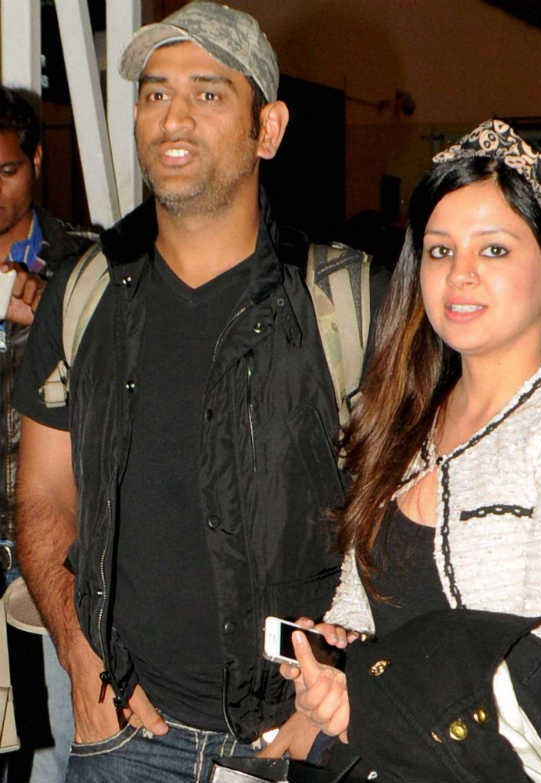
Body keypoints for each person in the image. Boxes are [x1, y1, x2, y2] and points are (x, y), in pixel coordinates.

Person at [11, 3, 384, 782]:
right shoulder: (84, 293)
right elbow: (43, 494)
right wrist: (80, 656)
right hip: (124, 737)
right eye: (155, 93)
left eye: (208, 93)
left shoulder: (345, 301)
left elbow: (403, 518)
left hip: (295, 737)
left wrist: (339, 687)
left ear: (268, 129)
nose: (173, 117)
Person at [281, 120, 541, 781]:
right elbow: (360, 607)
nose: (460, 275)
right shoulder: (403, 416)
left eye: (494, 250)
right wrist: (333, 662)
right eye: (440, 251)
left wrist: (366, 704)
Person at [0, 87, 94, 783]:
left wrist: (54, 324)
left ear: (36, 161)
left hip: (54, 553)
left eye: (6, 171)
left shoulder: (87, 264)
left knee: (56, 755)